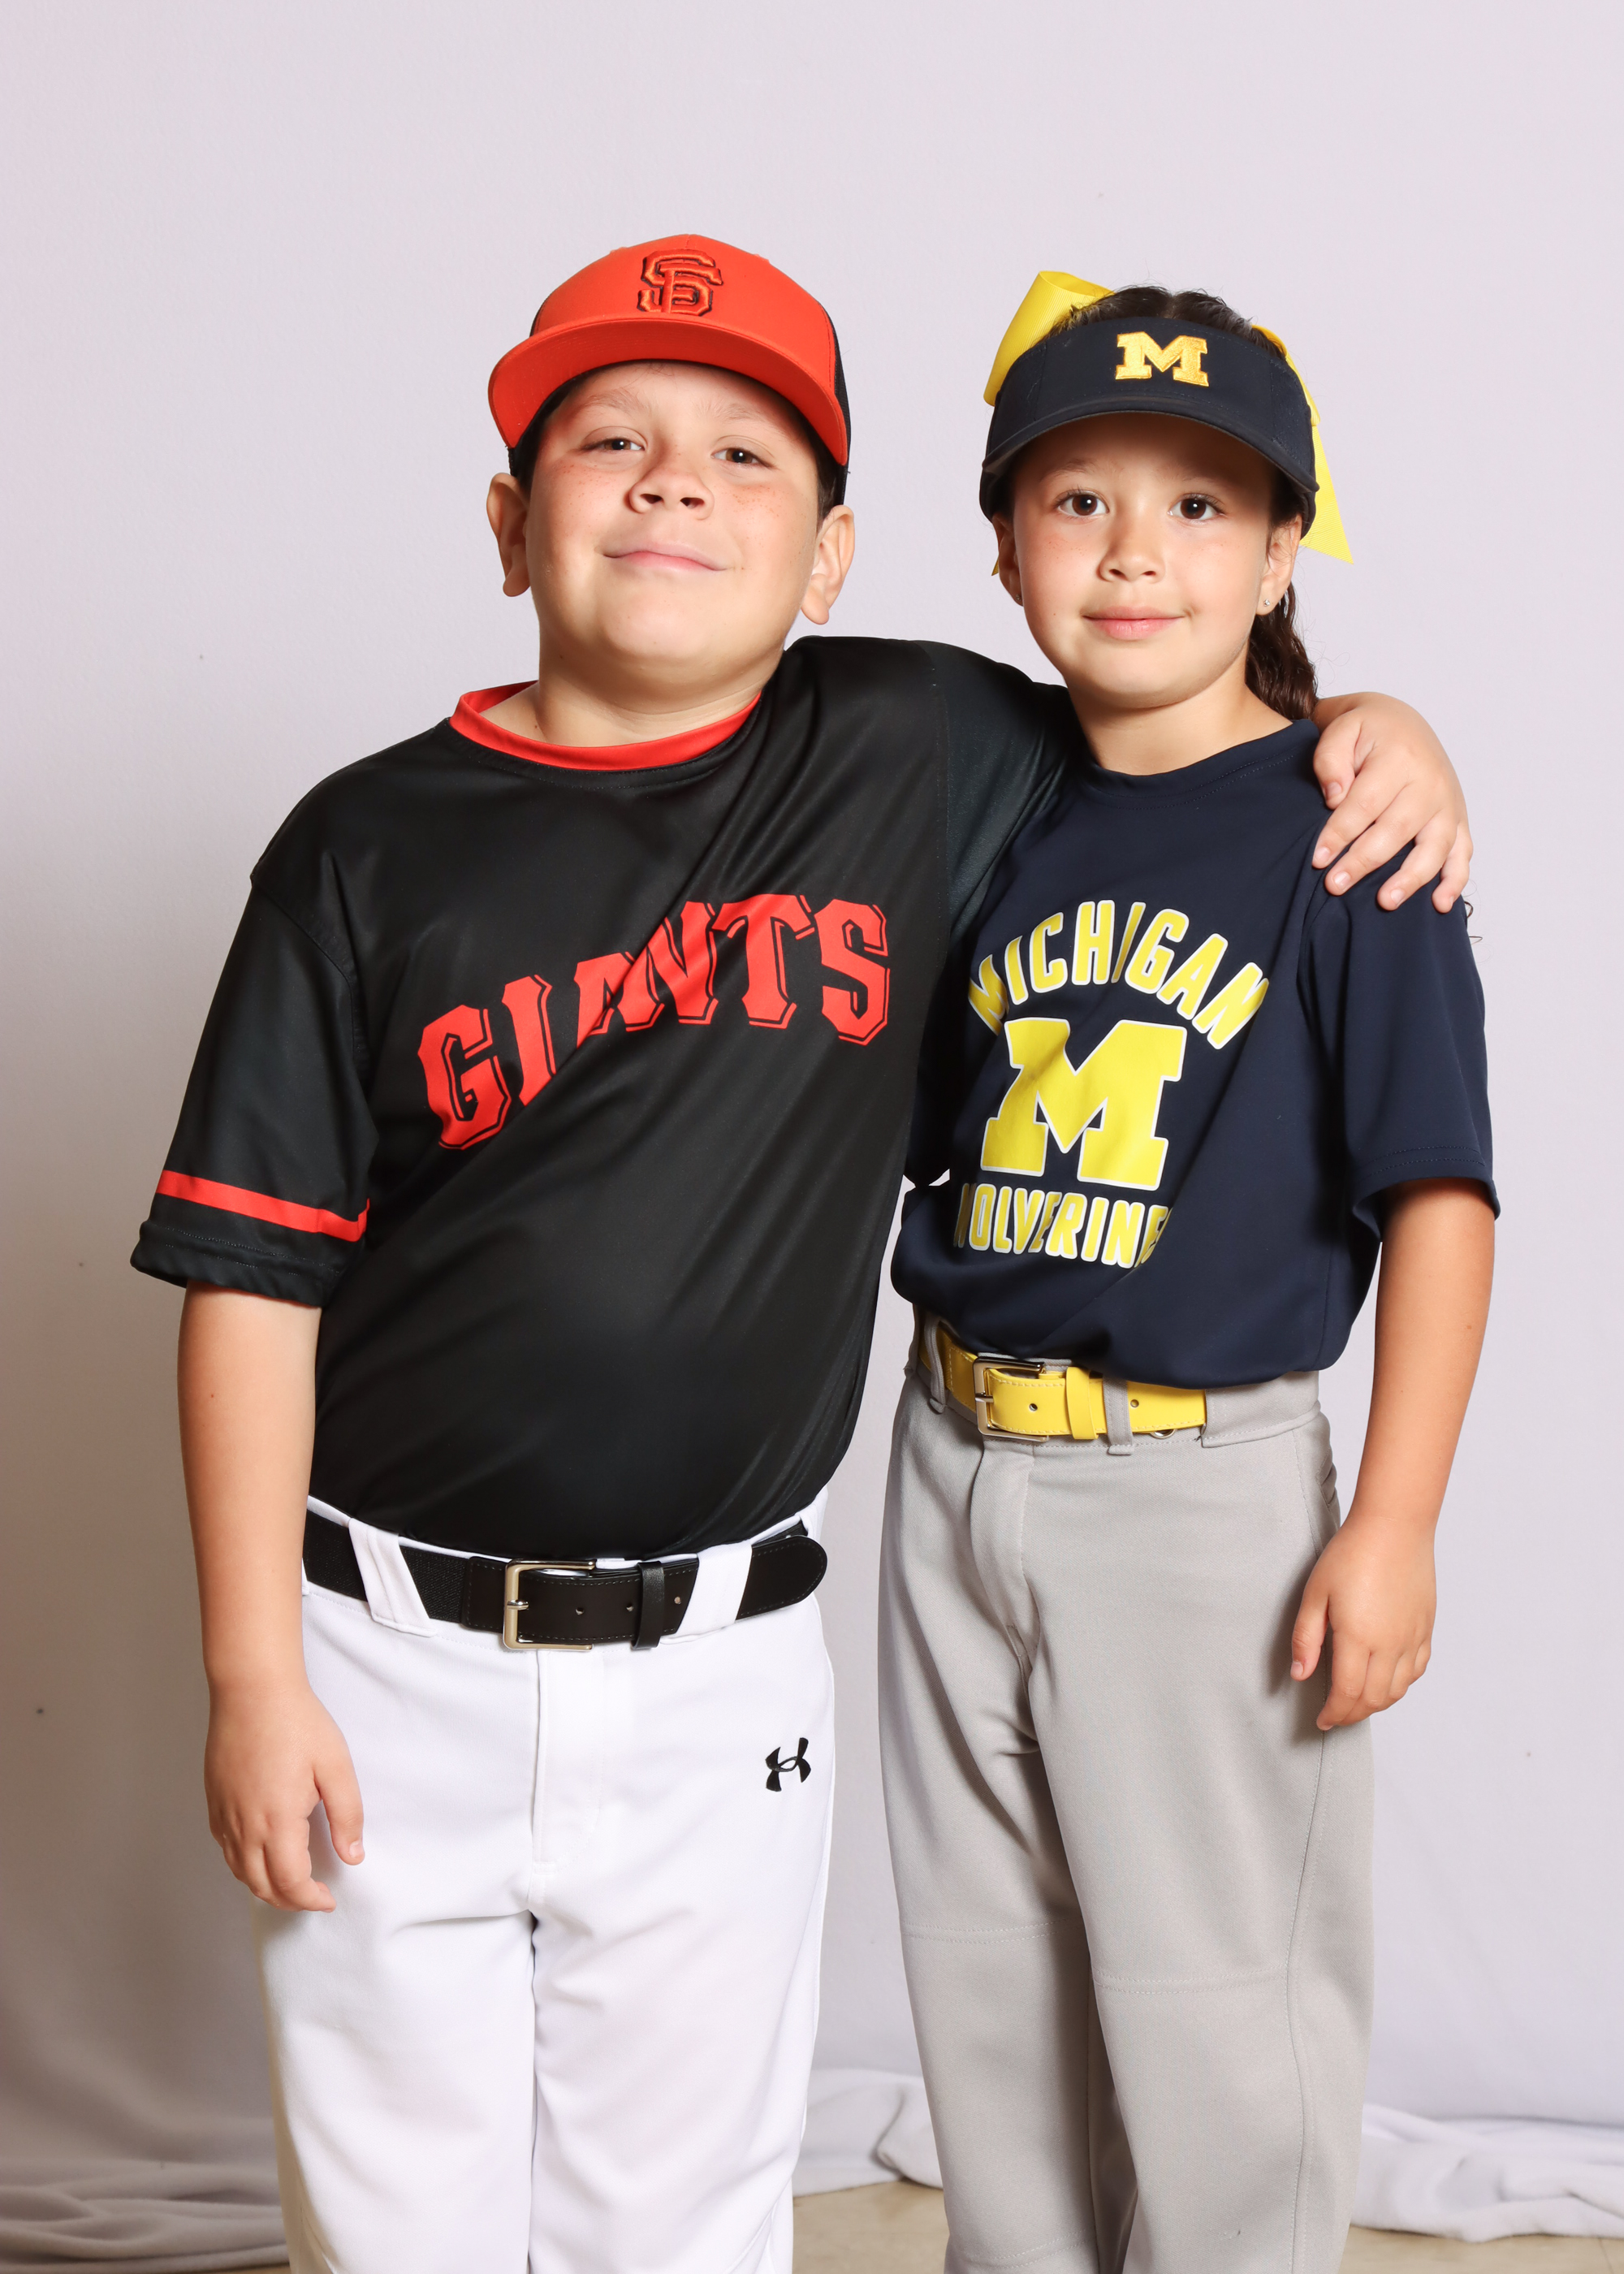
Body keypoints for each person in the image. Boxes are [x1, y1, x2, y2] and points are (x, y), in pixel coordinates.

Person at [132, 238, 1472, 2274]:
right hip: (419, 1630)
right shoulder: (370, 843)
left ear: (834, 554)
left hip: (759, 1637)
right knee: (439, 2199)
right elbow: (254, 1275)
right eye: (610, 441)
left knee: (742, 2186)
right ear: (506, 521)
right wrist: (248, 1669)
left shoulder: (909, 744)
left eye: (744, 454)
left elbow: (1192, 725)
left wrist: (1379, 722)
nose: (675, 481)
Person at [883, 276, 1497, 2274]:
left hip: (1197, 1485)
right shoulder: (979, 803)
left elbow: (1439, 1197)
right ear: (1002, 541)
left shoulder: (1346, 832)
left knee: (1219, 2022)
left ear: (1282, 548)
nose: (1135, 549)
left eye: (1202, 504)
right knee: (991, 1999)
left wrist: (1392, 1519)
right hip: (949, 1456)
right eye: (1077, 498)